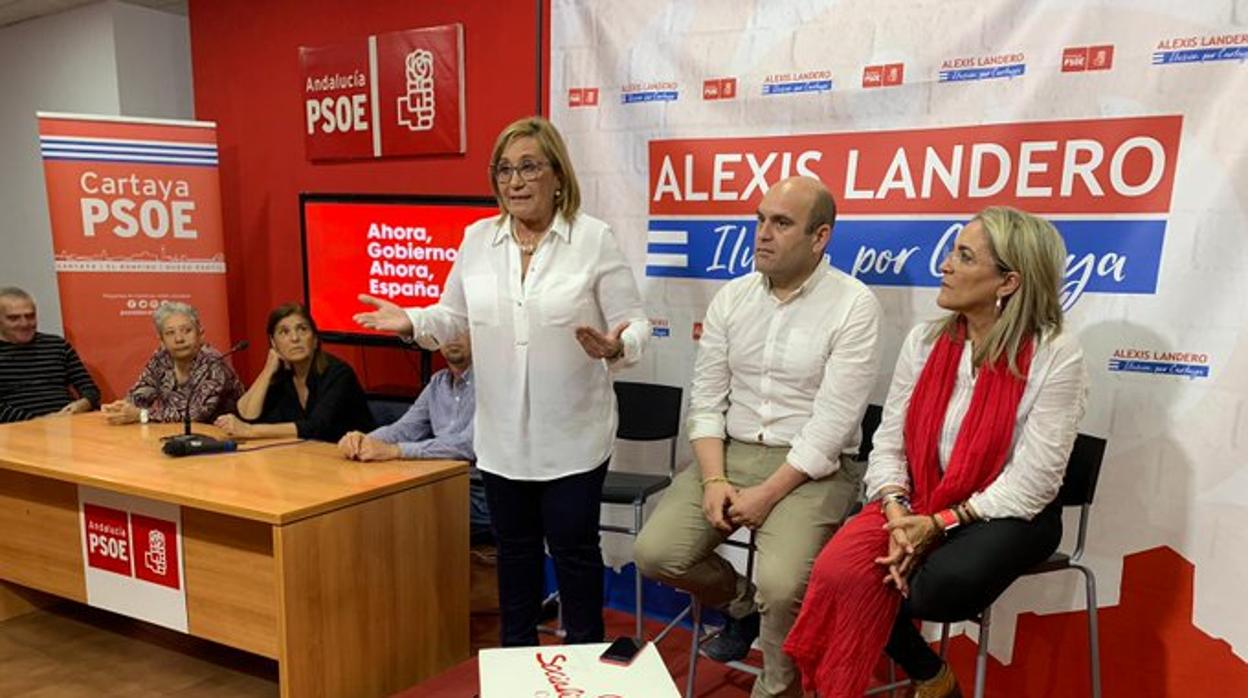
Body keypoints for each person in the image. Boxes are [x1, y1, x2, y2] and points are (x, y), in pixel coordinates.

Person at [354, 116, 649, 647]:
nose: (514, 181)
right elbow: (451, 316)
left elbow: (637, 321)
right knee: (514, 559)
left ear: (557, 175)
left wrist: (617, 346)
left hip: (574, 439)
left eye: (529, 167)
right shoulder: (477, 240)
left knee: (574, 553)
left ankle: (582, 661)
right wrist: (413, 323)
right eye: (504, 170)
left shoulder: (592, 238)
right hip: (501, 443)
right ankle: (519, 663)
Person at [784, 207, 1089, 698]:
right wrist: (896, 508)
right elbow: (888, 440)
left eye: (963, 256)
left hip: (1013, 513)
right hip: (921, 499)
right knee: (840, 572)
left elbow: (1034, 483)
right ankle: (932, 676)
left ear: (1007, 282)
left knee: (930, 588)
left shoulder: (1056, 353)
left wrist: (938, 524)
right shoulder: (925, 339)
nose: (943, 265)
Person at [633, 176, 881, 698]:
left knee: (784, 585)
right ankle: (740, 607)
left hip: (814, 468)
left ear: (820, 237)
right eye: (760, 220)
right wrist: (715, 478)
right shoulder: (733, 298)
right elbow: (706, 402)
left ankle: (777, 690)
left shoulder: (854, 305)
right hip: (732, 454)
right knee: (656, 553)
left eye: (781, 223)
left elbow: (833, 426)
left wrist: (767, 495)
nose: (763, 234)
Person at [337, 332, 489, 542]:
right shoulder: (437, 383)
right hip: (443, 484)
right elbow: (404, 429)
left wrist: (396, 451)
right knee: (373, 501)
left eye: (460, 328)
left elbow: (469, 445)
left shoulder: (492, 383)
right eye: (446, 328)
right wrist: (362, 441)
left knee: (397, 510)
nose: (452, 336)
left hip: (483, 493)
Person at [215, 303, 373, 442]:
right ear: (273, 342)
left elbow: (316, 427)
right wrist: (267, 371)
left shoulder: (338, 374)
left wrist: (249, 431)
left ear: (315, 339)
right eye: (284, 332)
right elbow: (247, 416)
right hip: (308, 458)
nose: (295, 338)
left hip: (357, 460)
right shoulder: (282, 377)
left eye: (302, 329)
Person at [103, 302, 243, 425]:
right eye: (170, 333)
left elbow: (195, 414)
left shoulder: (213, 362)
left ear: (201, 335)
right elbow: (141, 392)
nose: (179, 339)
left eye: (186, 331)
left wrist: (141, 415)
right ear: (161, 341)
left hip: (225, 439)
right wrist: (122, 407)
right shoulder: (161, 358)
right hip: (178, 435)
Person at [0, 286, 100, 422]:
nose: (24, 323)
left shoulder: (58, 345)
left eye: (30, 316)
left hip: (70, 425)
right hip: (17, 431)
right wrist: (40, 421)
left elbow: (90, 390)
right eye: (13, 318)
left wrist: (82, 405)